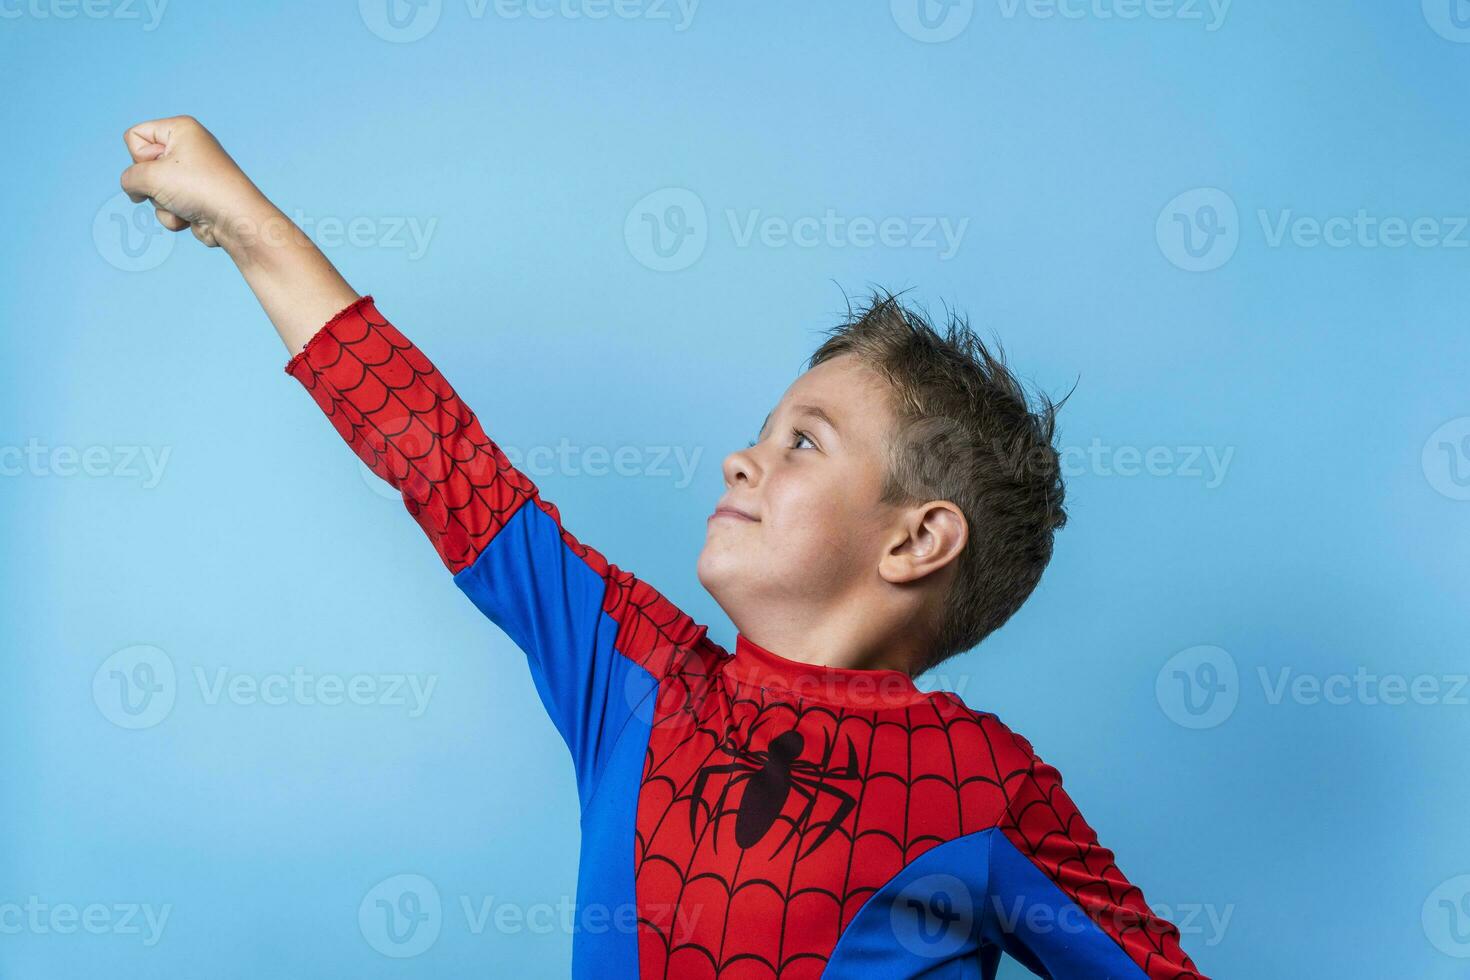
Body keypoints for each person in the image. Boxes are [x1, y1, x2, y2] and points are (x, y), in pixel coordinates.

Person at [119, 114, 1212, 979]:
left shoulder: (983, 786)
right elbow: (441, 457)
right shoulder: (634, 674)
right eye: (759, 432)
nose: (742, 459)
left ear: (918, 537)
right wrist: (241, 216)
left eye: (801, 442)